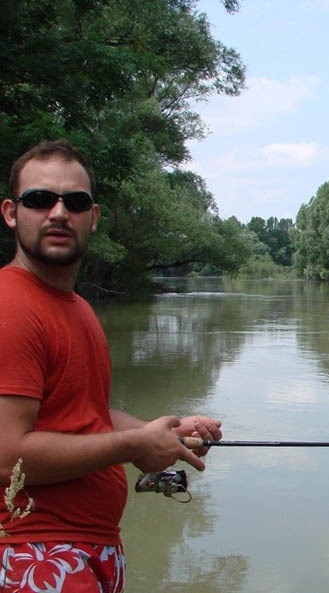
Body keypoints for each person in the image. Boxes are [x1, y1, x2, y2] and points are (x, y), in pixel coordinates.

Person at [0, 139, 222, 593]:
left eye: (75, 202)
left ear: (93, 218)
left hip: (88, 548)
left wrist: (164, 434)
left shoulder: (75, 307)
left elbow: (85, 416)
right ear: (11, 212)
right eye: (40, 199)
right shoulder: (11, 305)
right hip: (34, 552)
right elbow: (6, 457)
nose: (59, 213)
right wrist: (133, 447)